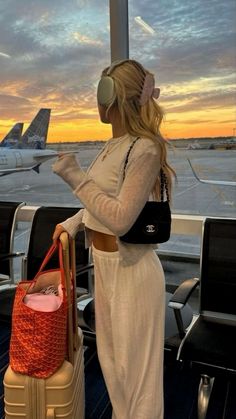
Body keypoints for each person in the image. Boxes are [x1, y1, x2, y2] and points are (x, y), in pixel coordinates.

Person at [52, 59, 175, 419]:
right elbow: (101, 202)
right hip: (103, 270)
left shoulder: (146, 149)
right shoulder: (113, 146)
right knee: (115, 372)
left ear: (114, 95)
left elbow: (121, 219)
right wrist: (74, 223)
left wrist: (75, 176)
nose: (96, 100)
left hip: (132, 272)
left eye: (101, 90)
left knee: (139, 380)